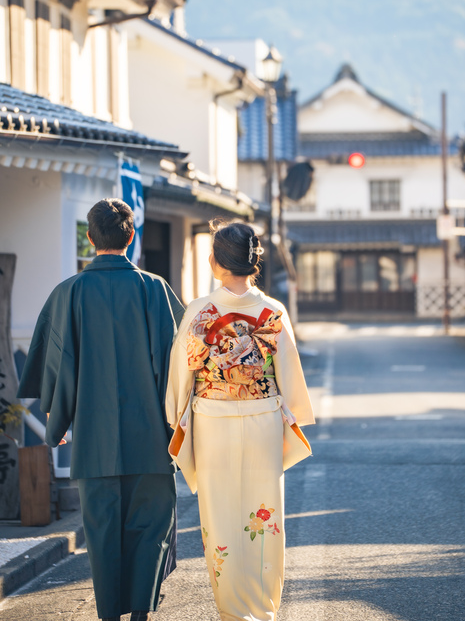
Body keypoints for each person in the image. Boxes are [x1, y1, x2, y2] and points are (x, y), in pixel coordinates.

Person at [17, 198, 184, 621]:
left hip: (93, 439)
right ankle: (142, 613)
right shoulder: (154, 289)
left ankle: (109, 614)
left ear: (90, 239)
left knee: (103, 532)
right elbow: (178, 364)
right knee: (151, 528)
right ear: (132, 237)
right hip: (152, 438)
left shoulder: (68, 293)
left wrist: (60, 419)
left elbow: (57, 364)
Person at [166, 220, 315, 621]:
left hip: (213, 421)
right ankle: (264, 608)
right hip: (263, 418)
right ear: (255, 263)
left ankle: (232, 611)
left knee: (222, 516)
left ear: (215, 262)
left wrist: (176, 413)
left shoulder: (199, 311)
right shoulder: (272, 311)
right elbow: (290, 378)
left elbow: (182, 376)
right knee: (264, 515)